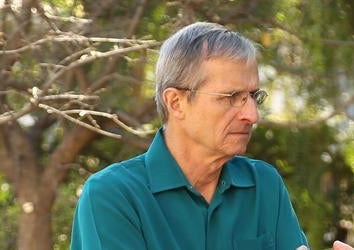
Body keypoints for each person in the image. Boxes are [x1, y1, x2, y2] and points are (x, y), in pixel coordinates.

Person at [69, 22, 316, 250]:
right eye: (232, 97)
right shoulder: (112, 196)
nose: (252, 115)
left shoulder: (263, 185)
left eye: (253, 97)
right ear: (176, 103)